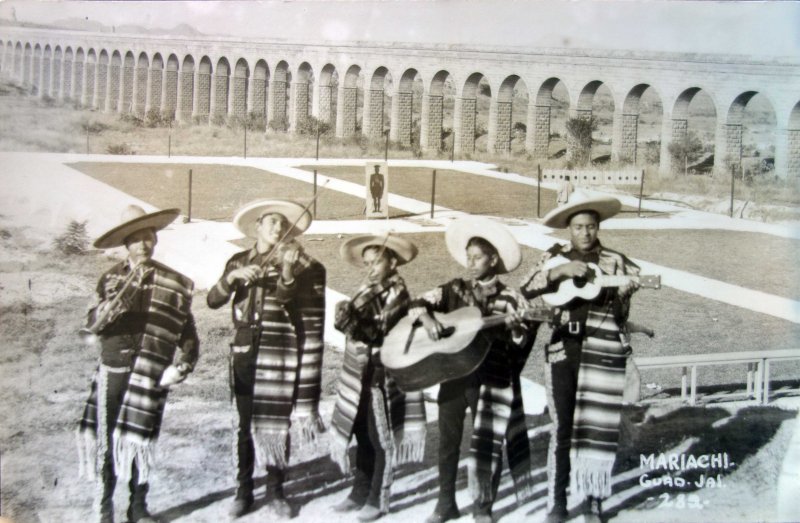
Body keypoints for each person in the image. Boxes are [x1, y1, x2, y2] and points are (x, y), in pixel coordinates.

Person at [519, 191, 640, 523]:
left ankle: (594, 500)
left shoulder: (615, 261)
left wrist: (625, 295)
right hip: (562, 351)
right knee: (562, 429)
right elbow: (525, 290)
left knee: (597, 427)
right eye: (578, 227)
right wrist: (560, 273)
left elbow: (619, 313)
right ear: (568, 229)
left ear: (598, 227)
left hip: (601, 350)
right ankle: (557, 503)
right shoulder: (553, 257)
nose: (585, 233)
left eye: (590, 226)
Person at [77, 205, 199, 523]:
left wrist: (185, 362)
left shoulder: (173, 283)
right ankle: (103, 508)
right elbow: (92, 323)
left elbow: (187, 330)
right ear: (126, 245)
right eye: (136, 239)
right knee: (108, 442)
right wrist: (108, 309)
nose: (143, 245)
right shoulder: (110, 279)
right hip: (114, 371)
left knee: (141, 440)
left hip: (151, 373)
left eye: (148, 237)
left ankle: (138, 507)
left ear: (155, 241)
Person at [207, 199, 326, 519]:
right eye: (271, 221)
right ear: (257, 226)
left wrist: (286, 269)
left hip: (280, 347)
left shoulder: (301, 265)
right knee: (244, 424)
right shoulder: (237, 260)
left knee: (277, 423)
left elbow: (289, 298)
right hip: (246, 345)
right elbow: (213, 300)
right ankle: (243, 491)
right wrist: (232, 279)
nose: (278, 227)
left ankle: (276, 491)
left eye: (282, 223)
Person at [410, 216, 535, 523]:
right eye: (468, 257)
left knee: (487, 442)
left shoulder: (510, 298)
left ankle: (483, 507)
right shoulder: (453, 289)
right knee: (448, 442)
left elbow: (521, 344)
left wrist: (516, 331)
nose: (471, 263)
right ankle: (445, 503)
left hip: (490, 381)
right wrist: (428, 321)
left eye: (477, 258)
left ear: (493, 259)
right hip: (453, 376)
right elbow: (416, 304)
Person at [329, 234, 427, 522]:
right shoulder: (368, 288)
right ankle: (360, 489)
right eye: (367, 263)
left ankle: (377, 496)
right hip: (361, 370)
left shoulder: (398, 292)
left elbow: (379, 331)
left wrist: (351, 322)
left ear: (393, 262)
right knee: (361, 430)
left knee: (380, 436)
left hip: (382, 371)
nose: (371, 268)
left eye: (377, 262)